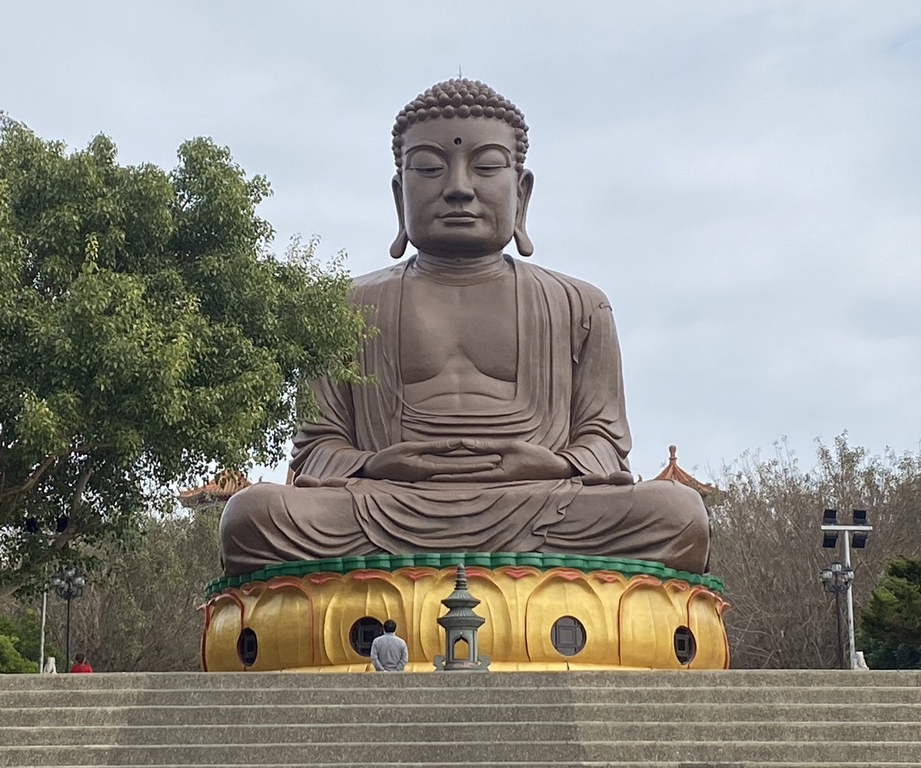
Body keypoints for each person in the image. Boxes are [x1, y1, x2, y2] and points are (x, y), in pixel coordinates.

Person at [220, 79, 710, 577]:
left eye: (487, 166)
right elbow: (317, 450)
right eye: (430, 167)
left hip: (541, 505)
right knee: (253, 515)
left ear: (522, 192)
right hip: (384, 507)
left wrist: (552, 465)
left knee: (677, 514)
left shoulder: (579, 305)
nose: (458, 187)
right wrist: (376, 465)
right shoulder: (345, 308)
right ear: (399, 194)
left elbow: (605, 444)